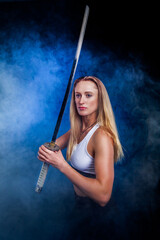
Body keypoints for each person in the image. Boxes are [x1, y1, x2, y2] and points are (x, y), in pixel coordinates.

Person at [37, 76, 124, 208]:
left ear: (100, 100)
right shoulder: (77, 130)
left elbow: (103, 197)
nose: (81, 101)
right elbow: (51, 148)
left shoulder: (102, 136)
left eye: (88, 95)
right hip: (80, 203)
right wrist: (44, 151)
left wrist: (62, 165)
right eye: (78, 95)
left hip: (98, 211)